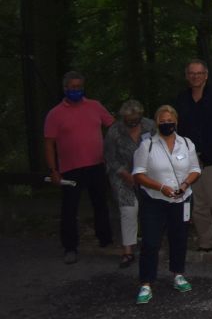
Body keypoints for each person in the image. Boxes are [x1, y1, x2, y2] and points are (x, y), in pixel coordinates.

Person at [132, 105, 201, 304]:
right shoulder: (148, 145)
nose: (166, 124)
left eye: (169, 120)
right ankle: (146, 283)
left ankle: (178, 274)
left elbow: (195, 168)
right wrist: (160, 187)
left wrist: (186, 183)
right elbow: (138, 174)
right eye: (162, 121)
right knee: (151, 241)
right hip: (155, 200)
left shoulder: (187, 144)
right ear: (156, 123)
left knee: (179, 237)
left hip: (181, 199)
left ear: (176, 121)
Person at [44, 71, 114, 264]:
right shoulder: (55, 114)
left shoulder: (95, 106)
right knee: (69, 209)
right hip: (70, 169)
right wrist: (53, 170)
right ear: (65, 88)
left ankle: (105, 240)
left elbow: (114, 127)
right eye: (72, 87)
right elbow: (49, 144)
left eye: (79, 87)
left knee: (100, 204)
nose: (76, 90)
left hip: (97, 164)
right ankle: (70, 247)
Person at [174, 60, 212, 252]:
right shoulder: (181, 100)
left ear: (206, 75)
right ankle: (206, 241)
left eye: (199, 73)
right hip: (190, 161)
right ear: (187, 76)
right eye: (192, 73)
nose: (195, 77)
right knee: (199, 205)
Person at [104, 100, 153, 268]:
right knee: (129, 209)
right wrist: (125, 174)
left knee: (149, 207)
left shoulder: (150, 126)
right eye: (129, 119)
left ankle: (150, 244)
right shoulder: (114, 131)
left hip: (147, 173)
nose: (133, 122)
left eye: (136, 119)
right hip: (122, 175)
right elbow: (110, 158)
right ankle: (128, 250)